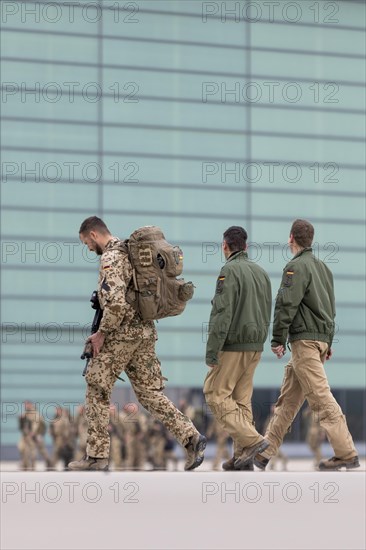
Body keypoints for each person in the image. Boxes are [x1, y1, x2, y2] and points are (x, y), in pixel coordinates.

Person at [68, 216, 206, 471]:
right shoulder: (130, 253)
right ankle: (191, 437)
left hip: (121, 335)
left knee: (96, 387)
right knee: (150, 393)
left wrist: (101, 334)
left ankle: (97, 456)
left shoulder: (110, 258)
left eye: (86, 242)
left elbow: (117, 304)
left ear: (94, 235)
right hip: (144, 333)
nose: (88, 247)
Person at [254, 219, 359, 471]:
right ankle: (264, 452)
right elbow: (330, 310)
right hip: (318, 341)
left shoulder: (296, 267)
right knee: (287, 402)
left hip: (304, 342)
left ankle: (346, 453)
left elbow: (285, 305)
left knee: (320, 397)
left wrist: (278, 339)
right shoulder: (324, 269)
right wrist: (328, 342)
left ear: (291, 238)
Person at [203, 226, 272, 470]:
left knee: (215, 393)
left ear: (225, 246)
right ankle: (243, 457)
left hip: (233, 345)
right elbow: (266, 309)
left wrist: (212, 350)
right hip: (255, 346)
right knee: (241, 401)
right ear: (245, 246)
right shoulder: (261, 273)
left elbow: (222, 313)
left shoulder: (229, 271)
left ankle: (253, 441)